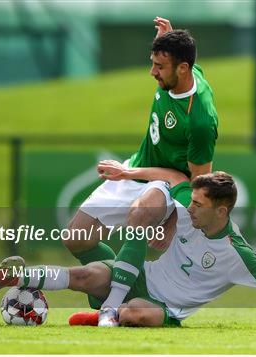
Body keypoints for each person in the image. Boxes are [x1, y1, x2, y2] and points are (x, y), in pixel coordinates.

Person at [0, 171, 256, 331]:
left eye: (198, 204)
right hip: (139, 275)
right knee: (87, 275)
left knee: (137, 314)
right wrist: (137, 182)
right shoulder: (185, 214)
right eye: (190, 201)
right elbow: (173, 181)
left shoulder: (237, 252)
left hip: (164, 307)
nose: (189, 208)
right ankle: (17, 276)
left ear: (221, 212)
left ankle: (104, 314)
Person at [63, 17, 219, 324]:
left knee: (140, 213)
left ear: (182, 68)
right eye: (153, 63)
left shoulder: (200, 121)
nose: (152, 72)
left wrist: (173, 221)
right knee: (76, 237)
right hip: (137, 167)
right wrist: (167, 37)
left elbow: (199, 183)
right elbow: (181, 51)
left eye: (159, 66)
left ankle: (111, 307)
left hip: (166, 182)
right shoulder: (183, 70)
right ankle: (130, 287)